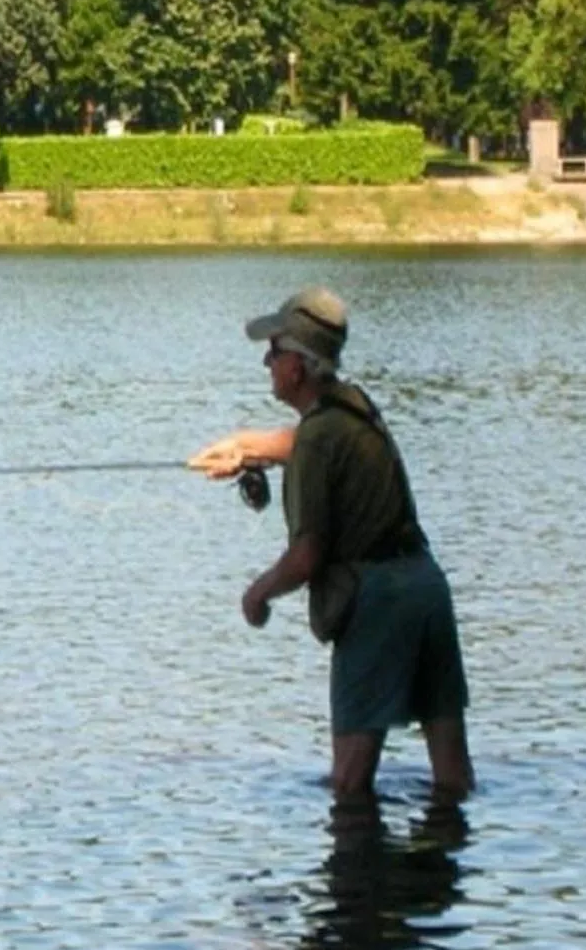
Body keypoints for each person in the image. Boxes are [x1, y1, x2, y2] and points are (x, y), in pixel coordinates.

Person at [190, 287, 474, 801]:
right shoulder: (354, 406)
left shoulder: (322, 436)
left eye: (274, 352)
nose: (266, 361)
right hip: (426, 589)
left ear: (297, 366)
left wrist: (257, 594)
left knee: (348, 783)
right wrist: (244, 446)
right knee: (452, 777)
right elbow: (308, 441)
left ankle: (357, 880)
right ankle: (442, 870)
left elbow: (306, 559)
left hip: (378, 605)